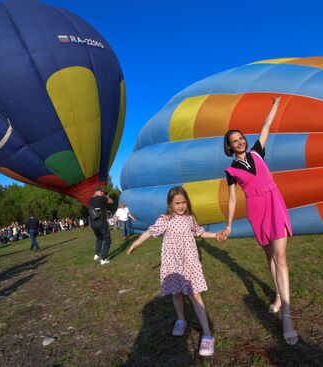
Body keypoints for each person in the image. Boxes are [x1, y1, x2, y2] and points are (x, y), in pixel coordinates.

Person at [220, 96, 299, 345]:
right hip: (257, 210)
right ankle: (277, 295)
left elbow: (266, 127)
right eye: (235, 141)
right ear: (230, 147)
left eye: (241, 138)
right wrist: (230, 224)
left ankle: (286, 315)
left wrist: (274, 106)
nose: (240, 142)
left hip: (274, 203)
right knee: (270, 257)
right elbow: (232, 199)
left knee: (281, 257)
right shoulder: (231, 171)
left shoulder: (257, 152)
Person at [127, 186, 224, 357]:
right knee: (176, 294)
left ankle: (208, 334)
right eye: (177, 203)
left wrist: (215, 235)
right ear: (170, 204)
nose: (181, 206)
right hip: (172, 264)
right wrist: (137, 243)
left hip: (189, 263)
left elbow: (200, 232)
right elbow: (150, 231)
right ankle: (181, 320)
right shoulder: (165, 219)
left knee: (195, 295)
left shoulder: (190, 218)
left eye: (184, 202)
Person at [88, 187, 113, 265]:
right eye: (102, 191)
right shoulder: (102, 198)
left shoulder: (89, 199)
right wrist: (106, 197)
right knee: (107, 238)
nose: (103, 193)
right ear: (98, 192)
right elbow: (111, 201)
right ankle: (103, 259)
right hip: (101, 222)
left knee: (99, 238)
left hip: (93, 223)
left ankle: (96, 254)